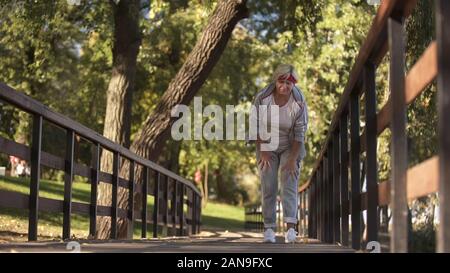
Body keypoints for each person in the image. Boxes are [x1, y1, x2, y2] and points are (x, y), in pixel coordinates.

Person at [252, 64, 308, 243]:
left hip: (290, 146)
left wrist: (292, 159)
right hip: (266, 144)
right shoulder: (263, 97)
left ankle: (291, 229)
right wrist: (263, 151)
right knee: (269, 185)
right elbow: (256, 125)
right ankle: (269, 229)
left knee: (289, 183)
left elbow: (300, 133)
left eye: (289, 84)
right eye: (281, 82)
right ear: (276, 80)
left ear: (294, 85)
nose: (284, 87)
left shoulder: (298, 101)